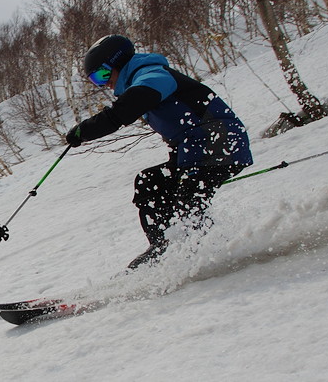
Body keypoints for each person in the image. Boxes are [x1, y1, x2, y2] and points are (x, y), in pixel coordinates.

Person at [65, 35, 253, 270]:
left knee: (188, 199)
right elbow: (180, 132)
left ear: (118, 63)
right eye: (95, 80)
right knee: (150, 182)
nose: (103, 84)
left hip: (219, 144)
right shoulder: (141, 81)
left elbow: (121, 113)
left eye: (102, 75)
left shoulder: (154, 76)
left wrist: (85, 130)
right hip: (197, 149)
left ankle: (198, 252)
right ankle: (165, 247)